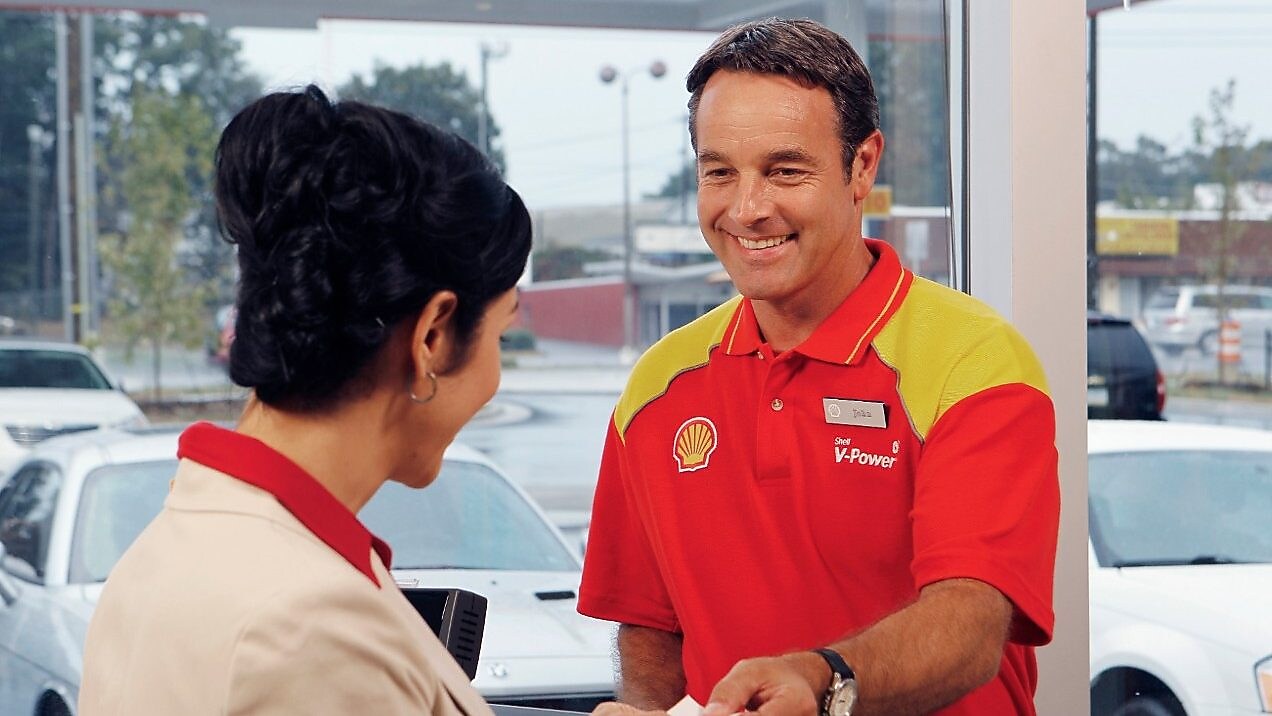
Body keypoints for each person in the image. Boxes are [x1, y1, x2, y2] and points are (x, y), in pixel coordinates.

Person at [578, 18, 1060, 716]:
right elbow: (650, 623)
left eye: (785, 171)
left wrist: (822, 681)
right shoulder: (658, 387)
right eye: (720, 172)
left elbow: (971, 623)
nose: (747, 209)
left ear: (862, 165)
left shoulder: (974, 363)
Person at [79, 85, 531, 715]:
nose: (495, 376)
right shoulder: (311, 629)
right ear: (432, 336)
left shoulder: (171, 550)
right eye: (500, 335)